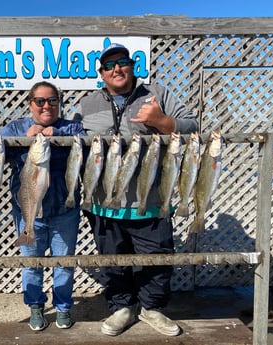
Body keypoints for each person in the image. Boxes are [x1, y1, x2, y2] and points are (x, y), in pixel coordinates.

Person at [73, 43, 198, 337]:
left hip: (151, 201)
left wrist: (163, 123)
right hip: (103, 203)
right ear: (101, 74)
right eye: (109, 65)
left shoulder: (158, 95)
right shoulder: (86, 104)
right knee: (112, 260)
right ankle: (122, 308)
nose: (116, 69)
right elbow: (73, 142)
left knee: (156, 259)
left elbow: (193, 127)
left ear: (133, 66)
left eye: (123, 62)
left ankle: (152, 308)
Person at [0, 81, 86, 331]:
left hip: (65, 211)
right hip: (28, 211)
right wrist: (21, 140)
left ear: (59, 103)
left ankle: (63, 308)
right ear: (30, 104)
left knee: (64, 263)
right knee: (32, 264)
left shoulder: (71, 127)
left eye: (52, 100)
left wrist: (58, 136)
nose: (46, 105)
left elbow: (86, 143)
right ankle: (36, 307)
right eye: (40, 101)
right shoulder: (16, 126)